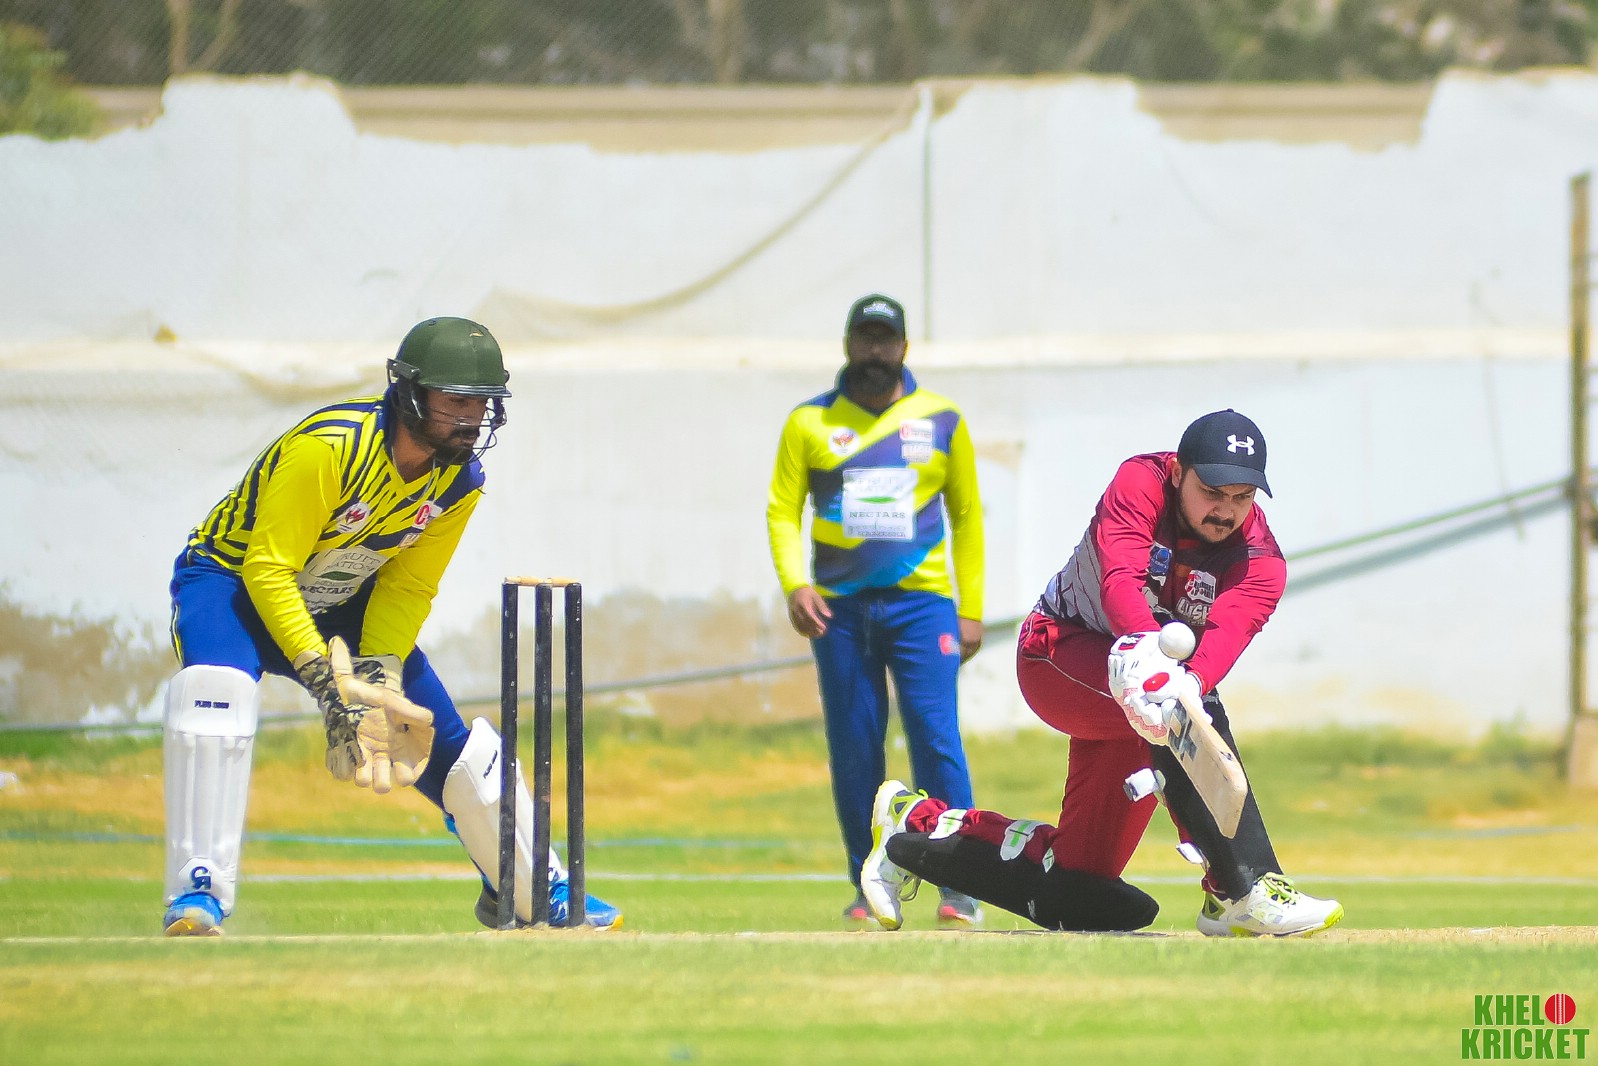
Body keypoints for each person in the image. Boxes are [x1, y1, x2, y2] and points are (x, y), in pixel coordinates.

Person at [159, 316, 621, 936]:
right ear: (409, 392)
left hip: (341, 599)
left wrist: (376, 681)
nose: (471, 418)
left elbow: (407, 586)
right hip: (232, 585)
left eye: (482, 403)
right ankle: (198, 892)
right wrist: (328, 684)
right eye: (455, 400)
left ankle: (535, 889)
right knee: (216, 694)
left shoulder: (459, 479)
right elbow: (268, 568)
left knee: (436, 735)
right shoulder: (330, 448)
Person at [859, 409, 1344, 937]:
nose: (1225, 511)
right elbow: (1120, 581)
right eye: (1211, 492)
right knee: (1175, 704)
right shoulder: (1141, 482)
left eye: (1242, 497)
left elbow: (1217, 650)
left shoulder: (1262, 563)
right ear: (1178, 472)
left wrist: (1186, 680)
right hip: (1058, 654)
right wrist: (1152, 661)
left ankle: (912, 826)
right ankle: (1243, 889)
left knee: (1077, 890)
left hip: (1142, 704)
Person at [766, 292, 987, 928]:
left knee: (935, 739)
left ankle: (961, 885)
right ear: (847, 344)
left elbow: (967, 515)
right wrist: (795, 584)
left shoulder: (941, 419)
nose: (874, 351)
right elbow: (783, 509)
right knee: (856, 748)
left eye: (885, 340)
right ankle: (869, 884)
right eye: (864, 338)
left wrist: (970, 608)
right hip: (838, 613)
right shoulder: (809, 422)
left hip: (923, 608)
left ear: (904, 347)